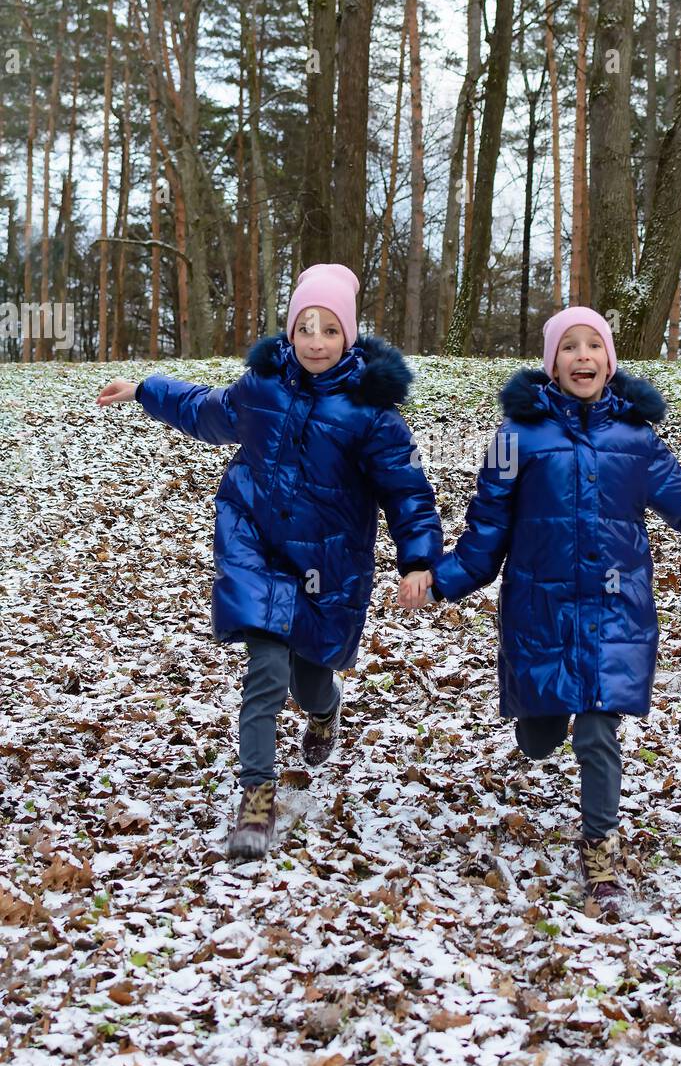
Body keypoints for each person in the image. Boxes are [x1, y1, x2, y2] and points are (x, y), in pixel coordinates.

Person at [398, 306, 681, 918]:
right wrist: (438, 581)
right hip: (539, 613)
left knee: (597, 729)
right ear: (552, 363)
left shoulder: (636, 440)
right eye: (570, 347)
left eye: (595, 346)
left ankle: (600, 847)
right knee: (539, 738)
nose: (583, 357)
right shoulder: (515, 439)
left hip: (616, 612)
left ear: (610, 360)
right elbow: (485, 537)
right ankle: (541, 723)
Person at [98, 263, 441, 862]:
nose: (314, 341)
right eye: (303, 326)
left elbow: (406, 491)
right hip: (255, 544)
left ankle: (326, 709)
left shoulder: (372, 414)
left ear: (348, 336)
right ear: (288, 331)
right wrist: (146, 390)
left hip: (328, 565)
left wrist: (418, 560)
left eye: (328, 329)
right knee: (265, 670)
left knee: (309, 678)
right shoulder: (262, 387)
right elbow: (207, 410)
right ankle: (257, 797)